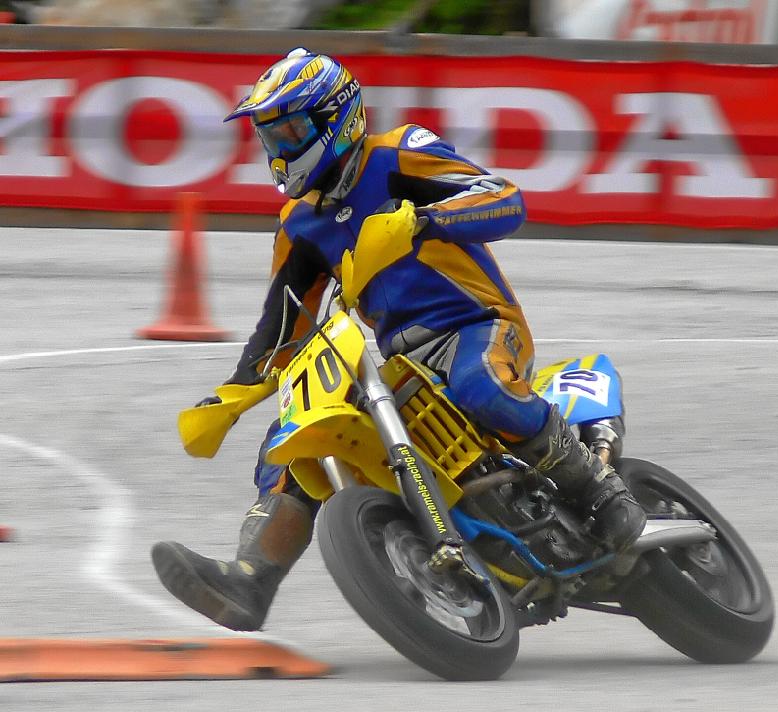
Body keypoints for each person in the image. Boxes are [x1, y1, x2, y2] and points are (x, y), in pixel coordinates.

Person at [151, 48, 645, 632]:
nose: (279, 149)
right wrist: (230, 397)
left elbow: (504, 198)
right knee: (295, 434)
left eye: (289, 131)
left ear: (334, 118)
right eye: (269, 136)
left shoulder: (397, 155)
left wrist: (420, 220)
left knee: (478, 385)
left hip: (479, 325)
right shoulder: (300, 224)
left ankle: (601, 490)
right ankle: (250, 579)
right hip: (404, 361)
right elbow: (282, 328)